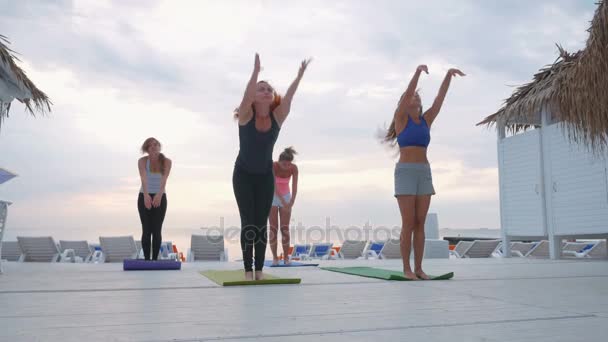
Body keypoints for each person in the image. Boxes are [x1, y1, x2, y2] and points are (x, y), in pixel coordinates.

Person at [382, 65, 464, 279]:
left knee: (420, 222)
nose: (415, 99)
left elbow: (439, 99)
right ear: (405, 102)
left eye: (418, 97)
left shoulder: (426, 120)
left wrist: (447, 76)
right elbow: (408, 94)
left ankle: (419, 268)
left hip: (424, 172)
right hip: (405, 172)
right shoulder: (401, 119)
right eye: (412, 97)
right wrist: (417, 73)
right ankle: (407, 269)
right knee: (408, 223)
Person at [233, 53, 310, 280]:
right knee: (248, 222)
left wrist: (299, 75)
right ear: (254, 97)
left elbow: (289, 98)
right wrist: (255, 73)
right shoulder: (246, 115)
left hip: (266, 175)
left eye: (269, 89)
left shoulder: (277, 117)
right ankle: (248, 271)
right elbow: (246, 98)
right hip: (243, 175)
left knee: (261, 224)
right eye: (261, 89)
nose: (266, 91)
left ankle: (259, 270)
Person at [138, 137, 172, 261]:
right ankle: (147, 260)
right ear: (147, 149)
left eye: (156, 144)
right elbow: (143, 178)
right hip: (144, 195)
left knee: (156, 230)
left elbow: (164, 180)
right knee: (146, 230)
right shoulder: (142, 161)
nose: (154, 147)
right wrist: (146, 195)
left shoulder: (167, 161)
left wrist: (159, 194)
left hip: (160, 196)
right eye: (151, 145)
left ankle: (155, 260)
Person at [269, 147, 299, 265]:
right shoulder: (273, 166)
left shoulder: (294, 168)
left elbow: (295, 186)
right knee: (273, 228)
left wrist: (291, 202)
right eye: (284, 164)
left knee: (285, 228)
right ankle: (275, 258)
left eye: (288, 164)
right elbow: (273, 185)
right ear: (279, 161)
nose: (286, 166)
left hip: (286, 196)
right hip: (272, 196)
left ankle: (286, 257)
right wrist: (282, 201)